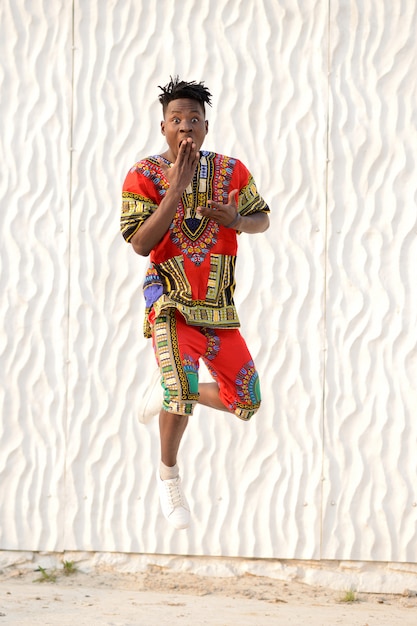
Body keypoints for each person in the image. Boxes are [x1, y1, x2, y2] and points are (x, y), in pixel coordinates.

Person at [121, 77, 270, 530]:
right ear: (162, 127)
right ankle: (170, 478)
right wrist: (174, 190)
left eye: (193, 119)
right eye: (176, 119)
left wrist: (238, 220)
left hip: (217, 305)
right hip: (168, 300)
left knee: (247, 400)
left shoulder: (233, 170)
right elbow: (140, 244)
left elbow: (263, 218)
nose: (185, 126)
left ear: (206, 126)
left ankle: (163, 390)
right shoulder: (142, 175)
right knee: (182, 393)